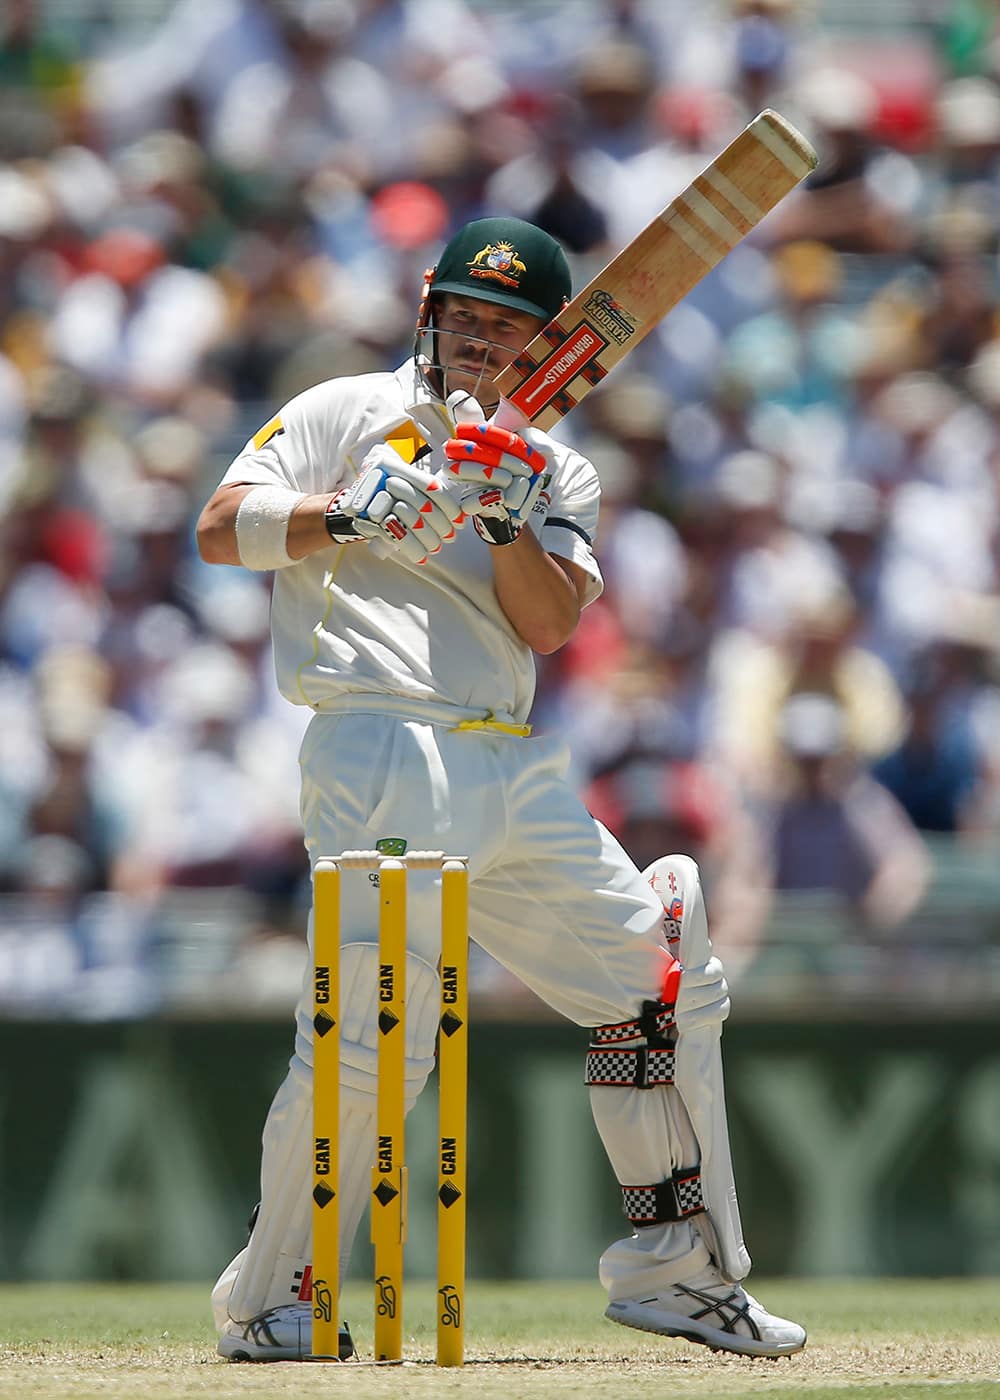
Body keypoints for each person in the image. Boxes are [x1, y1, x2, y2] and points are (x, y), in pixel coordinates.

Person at [196, 215, 806, 1362]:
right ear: (428, 309)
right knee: (378, 1040)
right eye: (467, 320)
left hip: (509, 758)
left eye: (509, 331)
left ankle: (671, 1272)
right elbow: (218, 528)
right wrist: (349, 514)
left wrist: (501, 512)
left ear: (546, 348)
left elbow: (550, 621)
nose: (481, 344)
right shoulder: (339, 410)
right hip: (376, 737)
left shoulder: (553, 463)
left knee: (659, 982)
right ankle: (276, 1292)